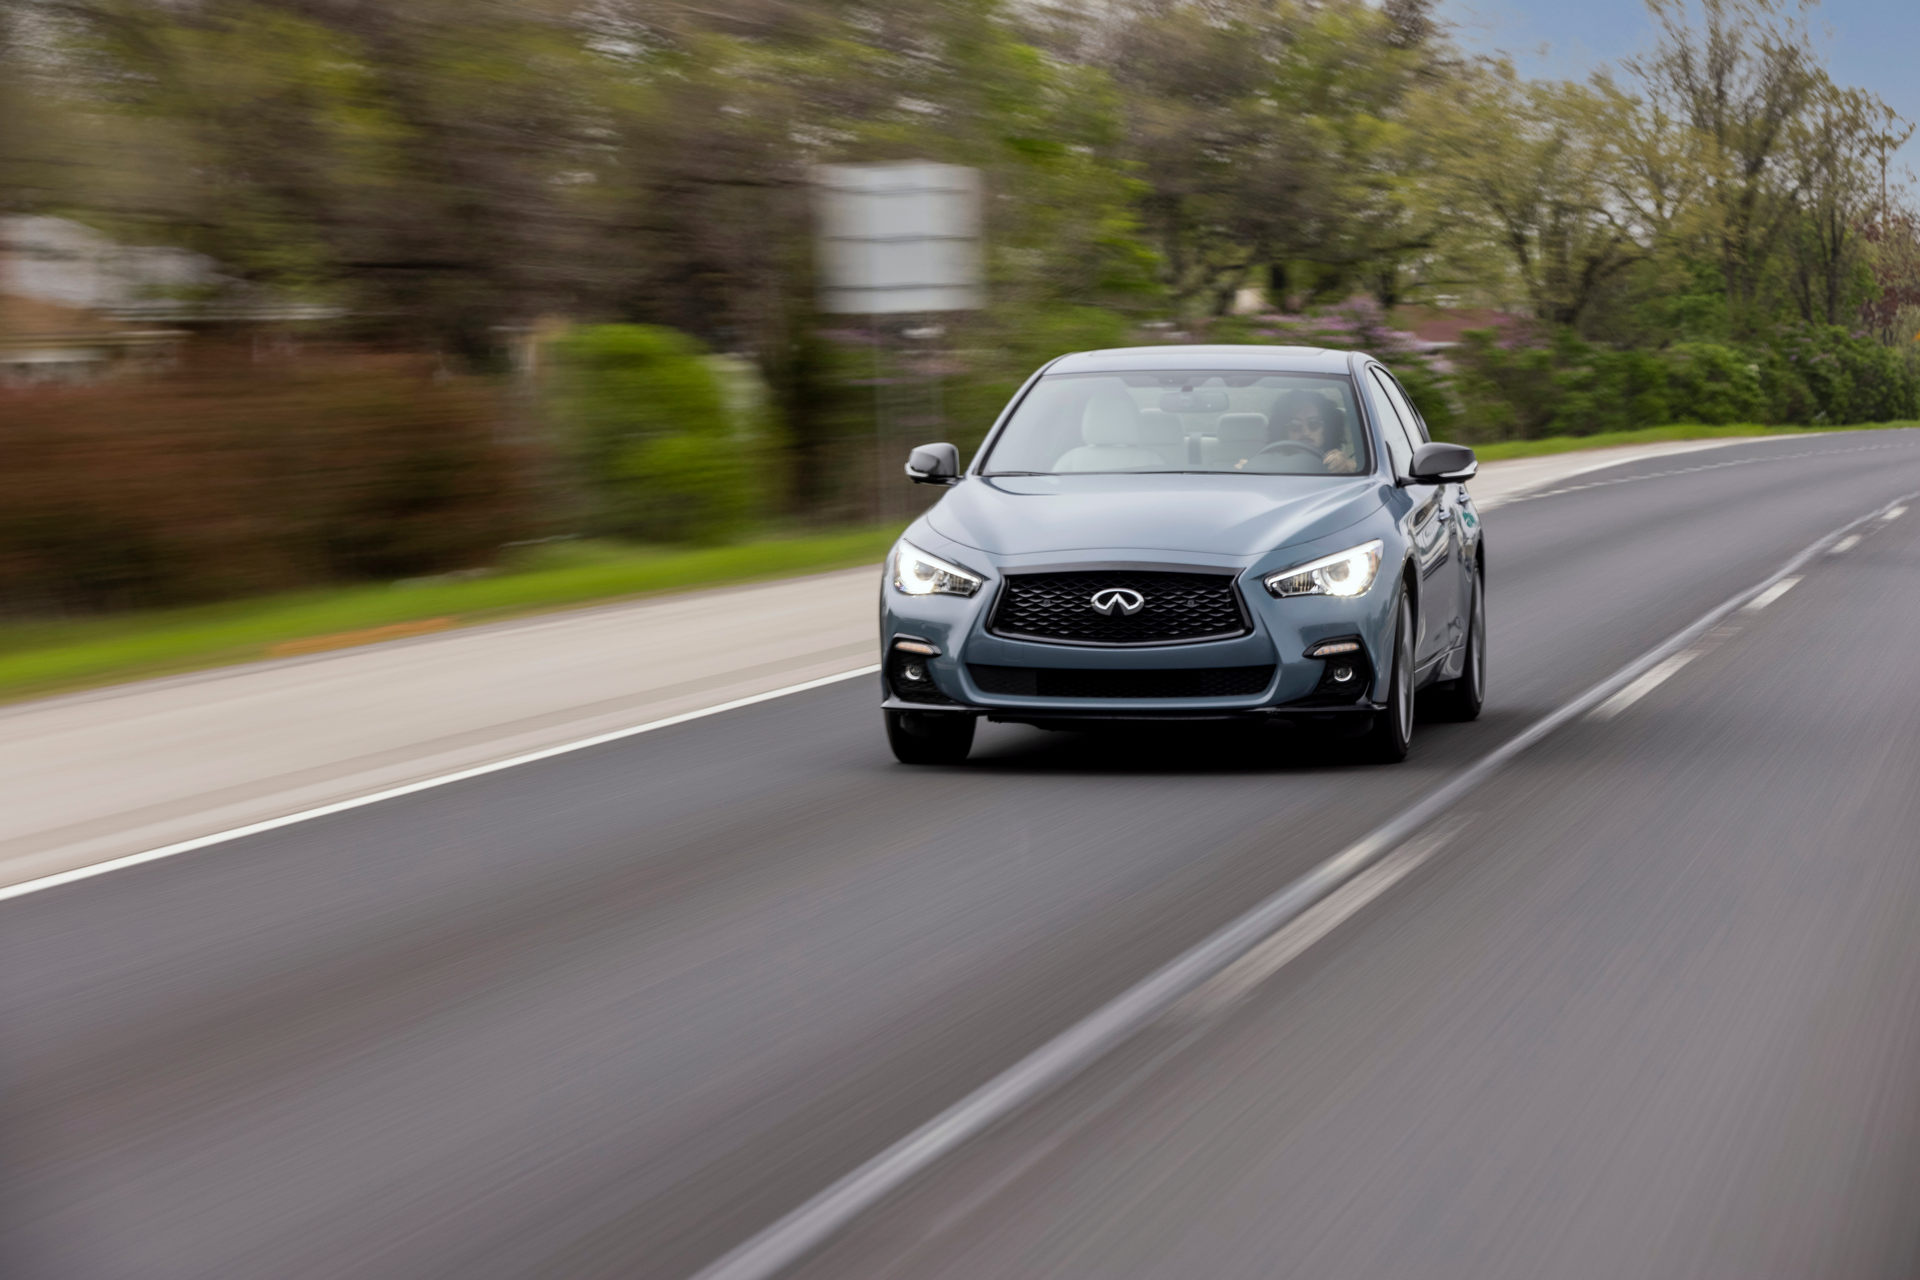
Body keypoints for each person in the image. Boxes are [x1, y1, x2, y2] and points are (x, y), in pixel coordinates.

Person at [1269, 389, 1359, 474]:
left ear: (1328, 428)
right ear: (1283, 430)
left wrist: (1346, 465)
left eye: (1314, 424)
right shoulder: (1268, 463)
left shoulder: (1338, 462)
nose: (1306, 432)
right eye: (1295, 426)